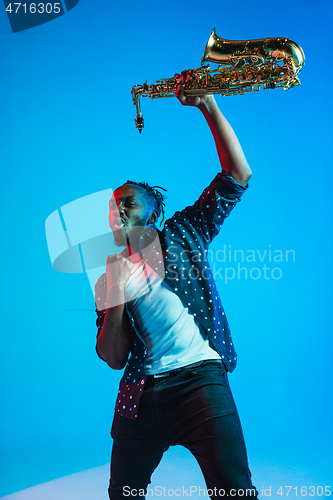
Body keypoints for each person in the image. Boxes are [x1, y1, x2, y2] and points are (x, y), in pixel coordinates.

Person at [95, 71, 259, 499]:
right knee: (123, 494)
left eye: (127, 203)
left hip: (200, 381)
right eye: (113, 206)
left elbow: (238, 175)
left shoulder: (184, 234)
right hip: (140, 392)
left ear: (151, 214)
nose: (117, 211)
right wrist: (114, 299)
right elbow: (113, 358)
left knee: (234, 491)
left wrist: (209, 105)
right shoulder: (107, 276)